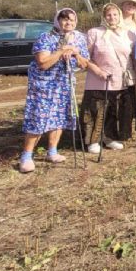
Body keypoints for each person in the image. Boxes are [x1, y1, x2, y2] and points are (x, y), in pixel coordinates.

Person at [18, 9, 90, 173]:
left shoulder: (79, 38)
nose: (68, 23)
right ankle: (26, 156)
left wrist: (76, 54)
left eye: (72, 20)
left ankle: (52, 151)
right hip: (44, 86)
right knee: (39, 119)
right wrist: (61, 51)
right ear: (57, 20)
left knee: (60, 118)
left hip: (65, 84)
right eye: (64, 20)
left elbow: (85, 64)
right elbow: (42, 63)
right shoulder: (46, 37)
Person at [81, 3, 136, 153]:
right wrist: (97, 70)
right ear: (104, 17)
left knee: (113, 110)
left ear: (119, 16)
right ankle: (92, 140)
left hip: (120, 79)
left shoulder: (128, 33)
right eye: (109, 15)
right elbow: (84, 57)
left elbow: (133, 57)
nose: (112, 18)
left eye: (115, 15)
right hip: (98, 79)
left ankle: (109, 137)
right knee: (96, 111)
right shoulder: (95, 32)